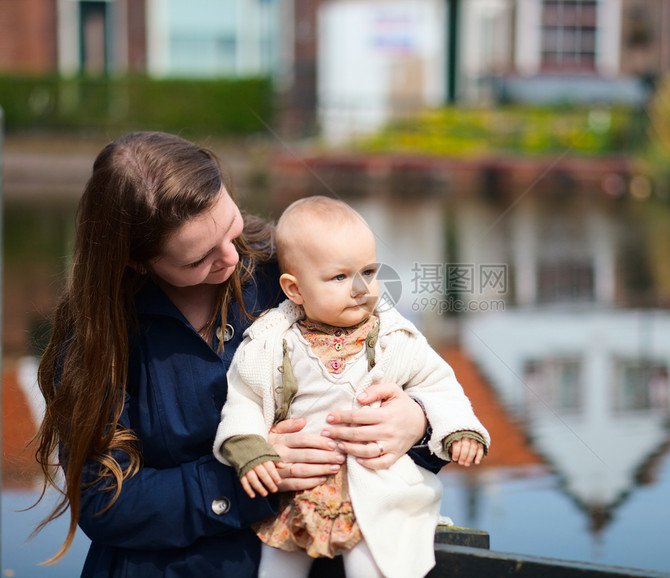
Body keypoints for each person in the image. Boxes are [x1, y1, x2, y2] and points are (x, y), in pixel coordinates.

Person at [33, 132, 440, 577]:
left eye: (230, 228)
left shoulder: (294, 264)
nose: (231, 258)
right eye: (198, 260)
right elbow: (102, 501)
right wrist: (245, 477)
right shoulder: (98, 334)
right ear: (136, 261)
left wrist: (417, 422)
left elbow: (420, 374)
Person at [213, 196, 490, 578]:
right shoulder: (271, 343)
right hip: (298, 492)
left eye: (370, 272)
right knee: (277, 566)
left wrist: (457, 426)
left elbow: (437, 382)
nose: (361, 288)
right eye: (340, 277)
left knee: (371, 562)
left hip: (373, 488)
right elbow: (243, 397)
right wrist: (248, 445)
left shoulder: (394, 337)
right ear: (294, 290)